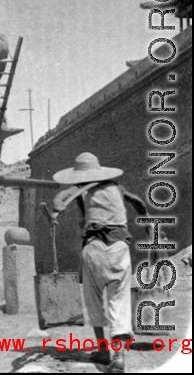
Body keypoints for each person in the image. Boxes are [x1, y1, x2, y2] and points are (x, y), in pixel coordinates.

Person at [52, 153, 147, 373]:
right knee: (119, 301)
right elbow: (139, 202)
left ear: (78, 173)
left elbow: (60, 200)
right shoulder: (117, 187)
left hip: (93, 248)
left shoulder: (78, 189)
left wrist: (56, 212)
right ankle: (119, 356)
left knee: (93, 299)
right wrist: (148, 219)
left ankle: (103, 351)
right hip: (119, 248)